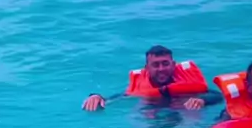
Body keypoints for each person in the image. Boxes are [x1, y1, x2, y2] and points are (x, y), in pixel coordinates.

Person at [82, 45, 222, 112]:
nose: (161, 69)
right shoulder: (141, 88)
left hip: (182, 112)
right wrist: (96, 96)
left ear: (173, 65)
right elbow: (116, 98)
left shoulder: (187, 83)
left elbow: (217, 96)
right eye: (155, 65)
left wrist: (202, 100)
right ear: (147, 68)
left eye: (165, 64)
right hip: (152, 114)